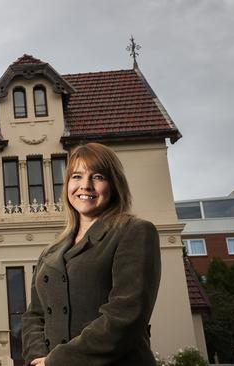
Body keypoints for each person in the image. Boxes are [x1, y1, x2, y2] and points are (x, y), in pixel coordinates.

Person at [21, 142, 161, 366]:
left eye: (97, 177)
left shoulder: (134, 231)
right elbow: (34, 316)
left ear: (114, 184)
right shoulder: (50, 251)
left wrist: (58, 361)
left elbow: (126, 315)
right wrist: (39, 360)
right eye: (76, 176)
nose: (85, 186)